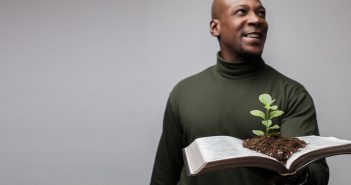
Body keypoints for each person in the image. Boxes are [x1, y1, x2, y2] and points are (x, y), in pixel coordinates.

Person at [150, 0, 329, 184]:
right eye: (242, 12)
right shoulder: (184, 92)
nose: (256, 19)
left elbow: (317, 173)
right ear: (215, 27)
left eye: (261, 13)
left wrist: (298, 175)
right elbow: (164, 174)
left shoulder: (292, 94)